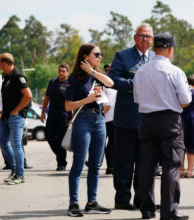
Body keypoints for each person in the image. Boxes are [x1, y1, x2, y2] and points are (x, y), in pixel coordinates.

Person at [134, 33, 190, 220]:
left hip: (147, 121)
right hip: (169, 121)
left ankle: (147, 209)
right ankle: (169, 212)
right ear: (170, 49)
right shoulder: (174, 71)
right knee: (171, 166)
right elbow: (185, 100)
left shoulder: (141, 71)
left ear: (154, 48)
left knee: (146, 167)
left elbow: (137, 99)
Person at [108, 23, 155, 210]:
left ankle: (142, 198)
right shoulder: (123, 56)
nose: (146, 39)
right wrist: (135, 83)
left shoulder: (154, 58)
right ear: (135, 37)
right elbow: (112, 80)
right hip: (127, 118)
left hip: (149, 118)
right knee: (124, 162)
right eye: (142, 36)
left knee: (145, 162)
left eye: (149, 37)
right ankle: (122, 198)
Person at [65, 43, 114, 217]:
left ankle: (92, 202)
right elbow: (68, 105)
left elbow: (110, 82)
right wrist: (87, 100)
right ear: (85, 57)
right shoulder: (74, 79)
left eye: (100, 54)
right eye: (97, 54)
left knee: (95, 164)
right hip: (83, 120)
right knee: (78, 164)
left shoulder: (96, 76)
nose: (100, 57)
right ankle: (73, 204)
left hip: (99, 120)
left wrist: (92, 71)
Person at [0, 53, 32, 185]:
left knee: (16, 144)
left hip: (17, 117)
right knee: (2, 142)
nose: (0, 66)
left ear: (5, 64)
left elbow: (28, 96)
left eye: (0, 64)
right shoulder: (6, 76)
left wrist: (17, 110)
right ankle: (14, 171)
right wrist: (4, 111)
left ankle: (20, 175)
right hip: (6, 116)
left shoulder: (18, 76)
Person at [41, 64, 71, 171]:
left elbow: (73, 101)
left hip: (64, 116)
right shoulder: (52, 82)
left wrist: (71, 119)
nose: (61, 73)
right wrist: (43, 112)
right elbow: (46, 98)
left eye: (63, 71)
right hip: (52, 115)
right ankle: (60, 157)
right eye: (60, 71)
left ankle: (61, 163)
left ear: (67, 72)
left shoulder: (70, 83)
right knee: (49, 136)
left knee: (60, 141)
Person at [102, 64, 117, 175]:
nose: (108, 72)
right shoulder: (102, 85)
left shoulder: (118, 84)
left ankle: (111, 166)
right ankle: (105, 163)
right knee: (104, 143)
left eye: (110, 70)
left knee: (112, 143)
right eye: (106, 70)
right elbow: (106, 105)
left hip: (115, 119)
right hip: (105, 119)